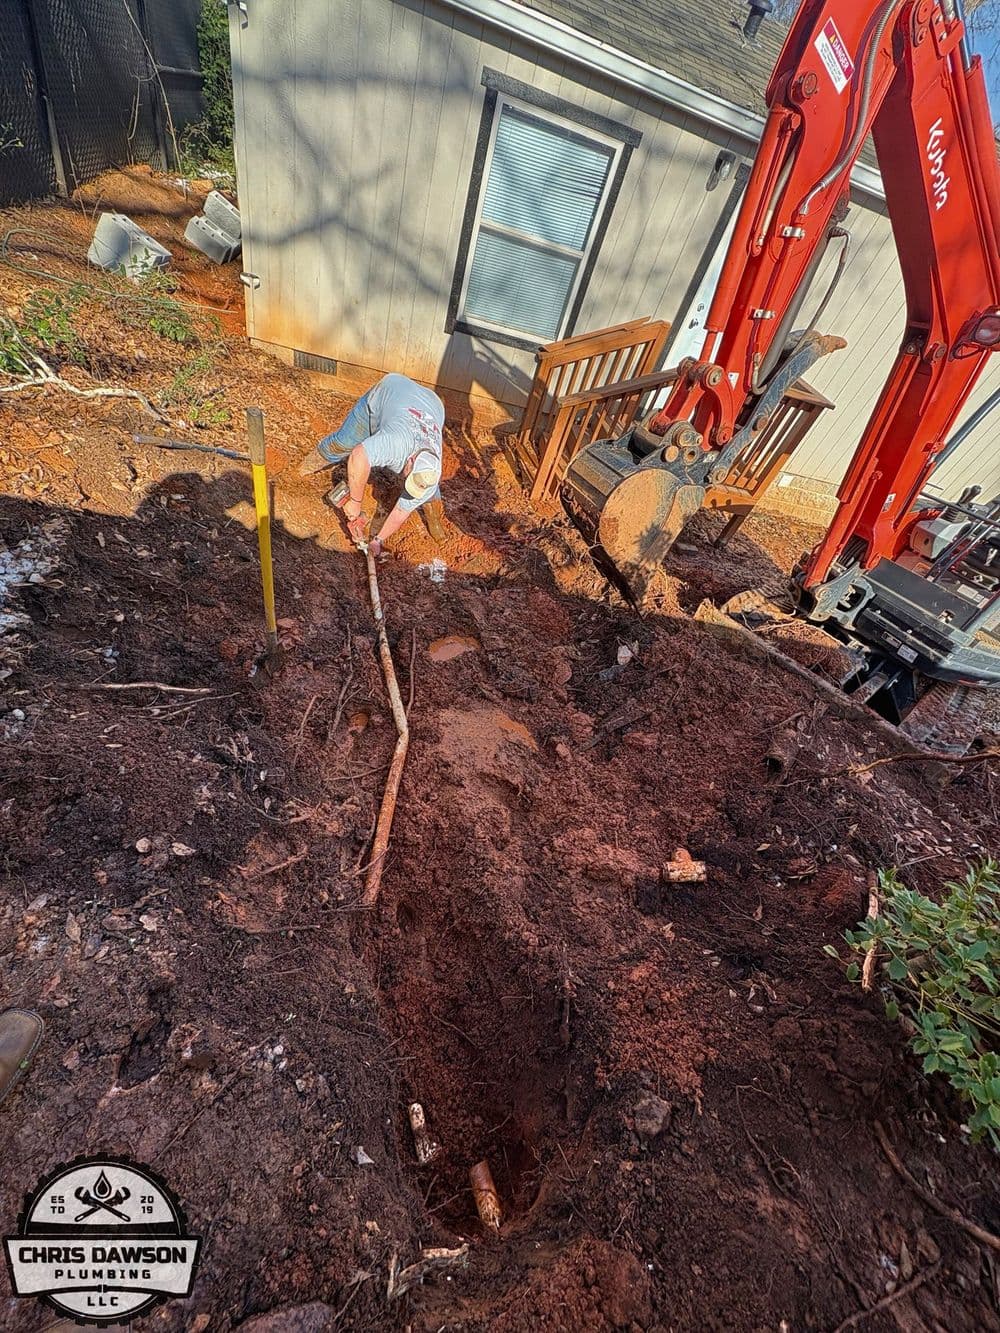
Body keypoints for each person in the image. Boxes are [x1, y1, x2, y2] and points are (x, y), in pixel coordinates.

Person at [299, 373, 446, 555]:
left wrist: (378, 540)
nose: (405, 479)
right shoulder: (397, 444)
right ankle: (304, 468)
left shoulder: (432, 474)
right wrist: (355, 502)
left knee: (428, 495)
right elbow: (358, 456)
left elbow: (401, 512)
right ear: (410, 460)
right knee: (342, 444)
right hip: (390, 391)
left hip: (432, 405)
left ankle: (434, 518)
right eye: (408, 476)